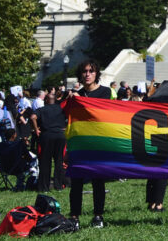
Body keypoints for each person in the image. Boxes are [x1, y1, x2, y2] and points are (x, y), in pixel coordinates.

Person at [68, 60, 111, 229]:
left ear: (96, 74)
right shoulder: (76, 94)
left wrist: (80, 101)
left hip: (98, 142)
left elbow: (100, 113)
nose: (87, 74)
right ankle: (74, 216)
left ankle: (98, 215)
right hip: (79, 143)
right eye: (84, 71)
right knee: (76, 182)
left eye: (91, 71)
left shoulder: (105, 92)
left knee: (98, 181)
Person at [30, 92, 66, 192]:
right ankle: (59, 185)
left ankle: (44, 187)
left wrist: (36, 128)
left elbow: (33, 117)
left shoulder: (41, 109)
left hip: (47, 135)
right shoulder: (61, 109)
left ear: (46, 100)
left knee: (46, 162)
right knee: (59, 161)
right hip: (60, 135)